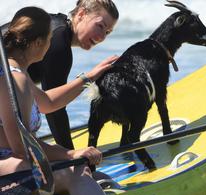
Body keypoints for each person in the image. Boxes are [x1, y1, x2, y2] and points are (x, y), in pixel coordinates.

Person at [0, 7, 119, 195]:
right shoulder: (16, 80)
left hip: (11, 163)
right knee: (76, 172)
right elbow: (22, 147)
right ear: (38, 43)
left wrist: (88, 77)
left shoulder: (17, 73)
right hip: (8, 172)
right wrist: (69, 155)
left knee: (88, 172)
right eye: (49, 39)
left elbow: (47, 103)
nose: (50, 44)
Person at [2, 0, 119, 150]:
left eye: (107, 32)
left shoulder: (55, 27)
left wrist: (89, 77)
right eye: (100, 26)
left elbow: (47, 102)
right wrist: (71, 158)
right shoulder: (58, 42)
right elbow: (54, 111)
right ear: (81, 14)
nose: (102, 37)